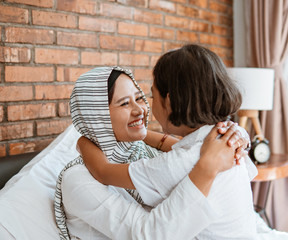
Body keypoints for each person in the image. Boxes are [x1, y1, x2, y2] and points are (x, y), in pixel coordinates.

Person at [79, 45, 258, 239]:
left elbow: (103, 172)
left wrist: (81, 138)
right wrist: (139, 132)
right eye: (124, 103)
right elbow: (176, 146)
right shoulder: (225, 138)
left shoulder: (175, 164)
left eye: (151, 96)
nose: (142, 108)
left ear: (169, 102)